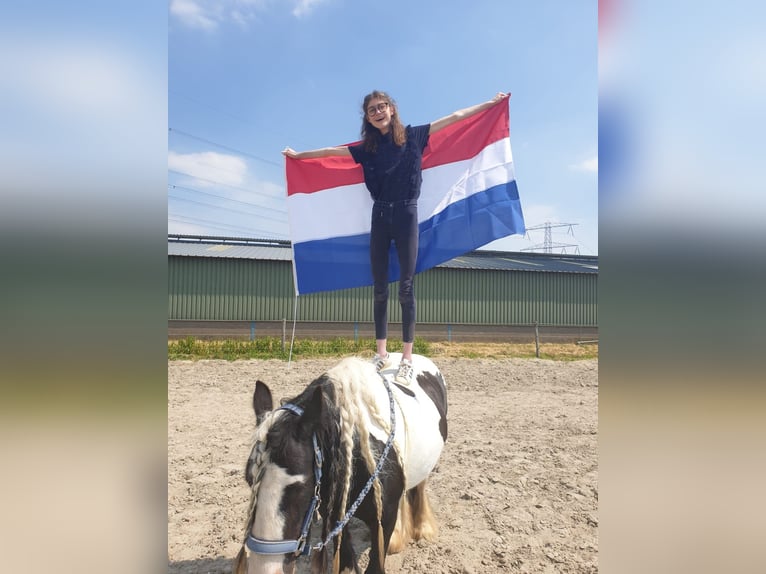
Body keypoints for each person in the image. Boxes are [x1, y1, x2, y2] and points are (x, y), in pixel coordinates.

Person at [283, 90, 507, 385]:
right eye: (371, 110)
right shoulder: (367, 148)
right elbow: (331, 152)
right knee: (379, 288)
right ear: (367, 117)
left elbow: (453, 119)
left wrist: (490, 105)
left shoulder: (414, 136)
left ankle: (407, 358)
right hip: (380, 216)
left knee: (405, 286)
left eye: (382, 106)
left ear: (392, 109)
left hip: (407, 215)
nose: (377, 112)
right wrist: (299, 156)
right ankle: (380, 354)